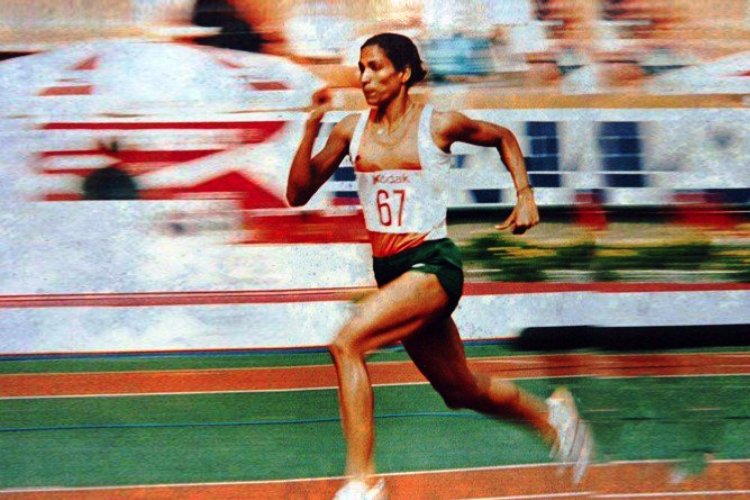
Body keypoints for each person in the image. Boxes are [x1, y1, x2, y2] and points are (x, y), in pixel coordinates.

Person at [286, 32, 592, 499]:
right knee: (459, 390)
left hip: (432, 265)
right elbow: (297, 194)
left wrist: (525, 194)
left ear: (403, 73)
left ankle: (363, 481)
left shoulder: (438, 124)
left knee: (347, 343)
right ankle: (552, 418)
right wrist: (310, 128)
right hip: (392, 272)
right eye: (361, 69)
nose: (365, 78)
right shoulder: (350, 130)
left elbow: (502, 137)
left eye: (375, 67)